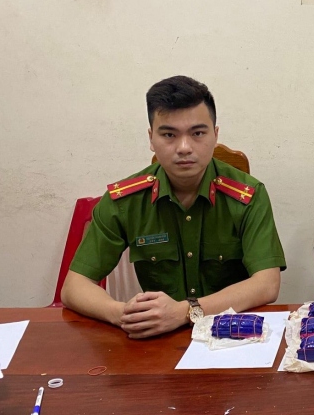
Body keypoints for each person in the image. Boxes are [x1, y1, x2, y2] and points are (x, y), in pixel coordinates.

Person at [61, 76, 286, 338]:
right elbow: (74, 286)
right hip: (157, 339)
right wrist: (124, 314)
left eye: (198, 133)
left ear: (215, 135)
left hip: (232, 334)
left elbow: (267, 284)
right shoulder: (124, 201)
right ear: (151, 138)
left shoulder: (248, 195)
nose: (184, 148)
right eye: (169, 135)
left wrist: (184, 312)